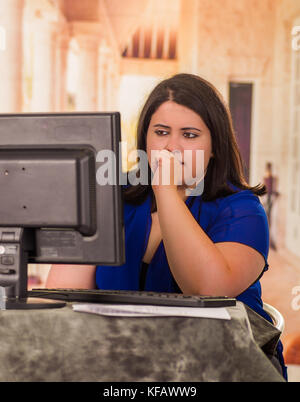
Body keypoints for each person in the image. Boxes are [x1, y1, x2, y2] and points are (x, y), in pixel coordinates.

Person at [46, 73, 287, 379]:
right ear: (145, 139)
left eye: (189, 135)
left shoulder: (243, 210)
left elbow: (206, 290)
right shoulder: (111, 200)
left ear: (214, 146)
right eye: (161, 132)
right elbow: (60, 297)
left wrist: (165, 188)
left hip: (221, 366)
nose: (172, 147)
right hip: (123, 365)